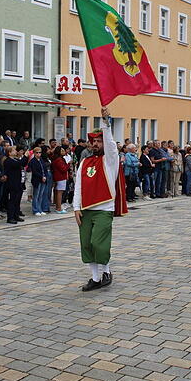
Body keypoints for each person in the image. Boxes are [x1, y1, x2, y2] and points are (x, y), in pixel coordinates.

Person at [73, 106, 126, 291]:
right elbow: (78, 185)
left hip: (104, 209)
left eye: (98, 141)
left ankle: (107, 271)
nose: (95, 144)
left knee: (99, 243)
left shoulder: (110, 160)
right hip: (86, 208)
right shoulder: (85, 162)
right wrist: (75, 207)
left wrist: (105, 122)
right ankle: (95, 278)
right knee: (86, 243)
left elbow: (111, 144)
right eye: (93, 141)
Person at [2, 146, 29, 224]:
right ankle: (10, 217)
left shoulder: (15, 159)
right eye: (14, 150)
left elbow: (23, 163)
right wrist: (25, 156)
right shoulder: (8, 160)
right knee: (12, 200)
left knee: (17, 200)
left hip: (18, 182)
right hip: (12, 183)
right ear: (9, 153)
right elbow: (19, 163)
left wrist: (25, 158)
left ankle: (16, 215)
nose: (15, 151)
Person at [29, 147, 48, 216]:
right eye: (37, 153)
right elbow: (34, 171)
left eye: (39, 152)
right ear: (34, 153)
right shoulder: (33, 161)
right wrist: (41, 177)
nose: (38, 154)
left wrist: (45, 176)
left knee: (41, 195)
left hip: (43, 179)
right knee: (36, 195)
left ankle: (40, 209)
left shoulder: (41, 160)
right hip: (37, 180)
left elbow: (45, 169)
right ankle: (35, 209)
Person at [51, 145, 70, 212]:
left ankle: (58, 206)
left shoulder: (59, 159)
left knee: (58, 192)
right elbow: (63, 169)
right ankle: (59, 208)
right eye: (62, 151)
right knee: (60, 192)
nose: (64, 152)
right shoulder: (59, 160)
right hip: (60, 177)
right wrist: (68, 164)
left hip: (59, 177)